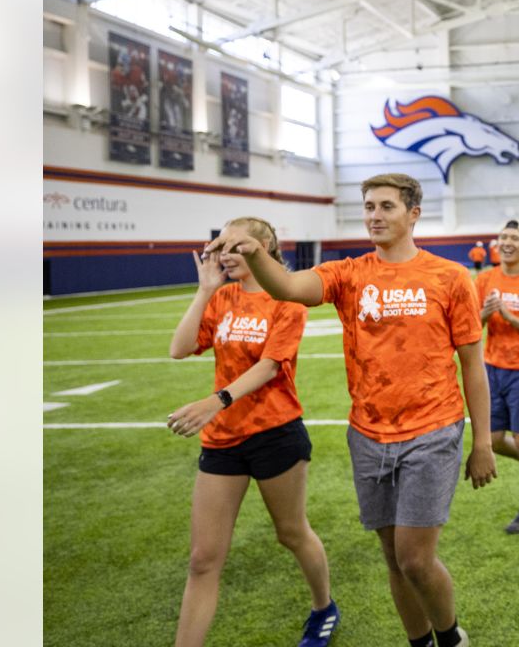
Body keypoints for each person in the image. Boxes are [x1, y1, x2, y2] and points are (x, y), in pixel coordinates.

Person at [203, 174, 497, 647]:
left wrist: (481, 441)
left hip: (433, 430)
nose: (374, 216)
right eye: (368, 207)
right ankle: (419, 642)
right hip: (367, 435)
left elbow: (472, 365)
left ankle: (449, 637)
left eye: (386, 207)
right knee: (391, 556)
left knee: (415, 559)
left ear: (413, 214)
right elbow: (288, 287)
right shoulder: (348, 273)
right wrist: (256, 253)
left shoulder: (449, 277)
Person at [168, 216, 339, 647]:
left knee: (291, 533)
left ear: (262, 249)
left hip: (275, 432)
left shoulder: (286, 298)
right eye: (222, 246)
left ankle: (324, 607)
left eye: (236, 245)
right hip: (223, 439)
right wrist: (204, 289)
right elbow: (180, 348)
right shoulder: (222, 296)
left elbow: (269, 366)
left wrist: (216, 401)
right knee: (203, 560)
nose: (227, 253)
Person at [475, 220, 519, 534]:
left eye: (514, 238)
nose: (506, 242)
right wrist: (486, 315)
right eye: (502, 237)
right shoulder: (485, 279)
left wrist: (508, 317)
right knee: (491, 441)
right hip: (492, 368)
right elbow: (470, 325)